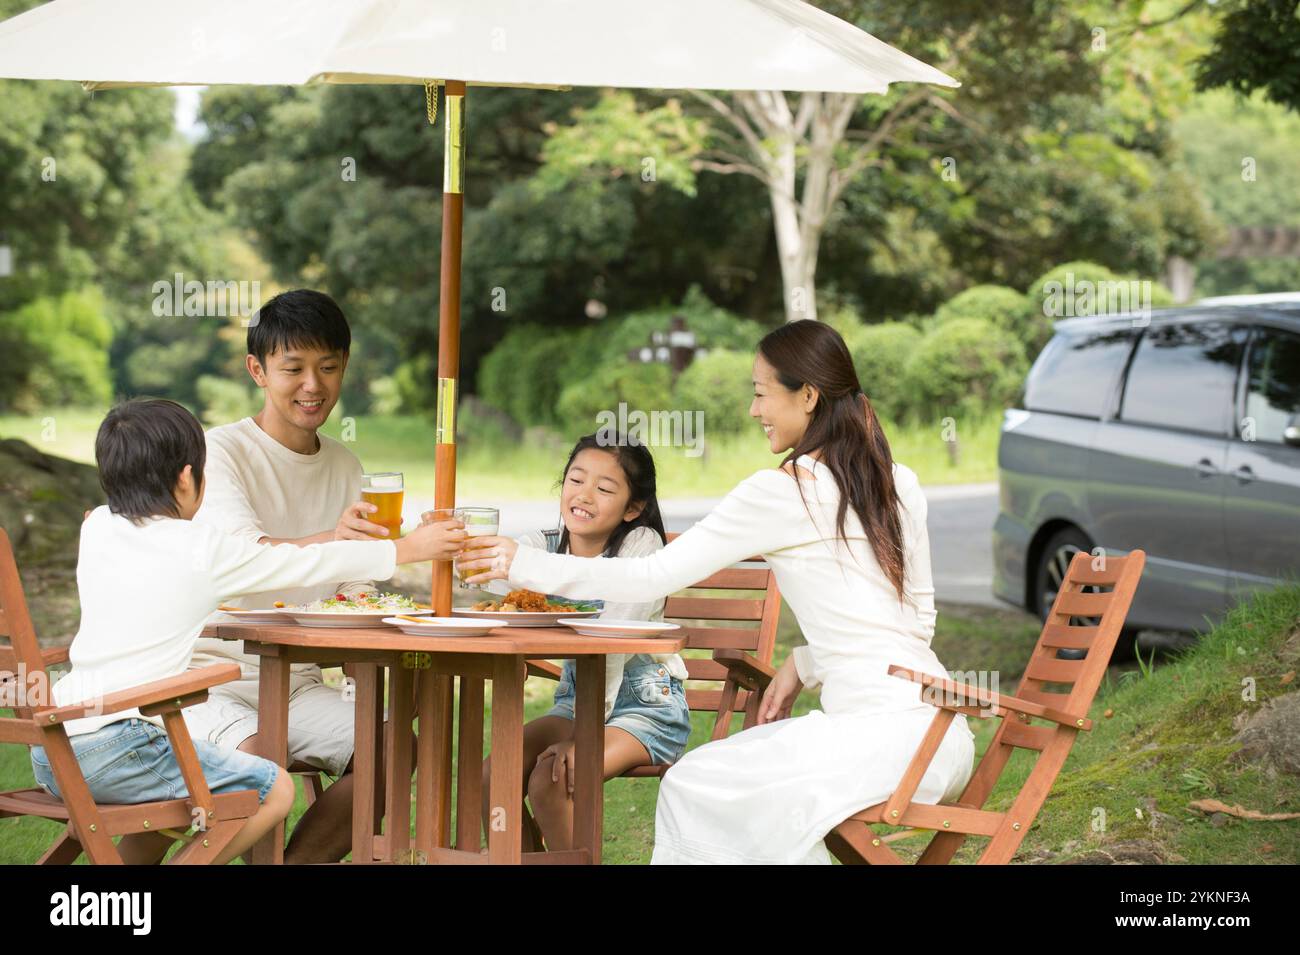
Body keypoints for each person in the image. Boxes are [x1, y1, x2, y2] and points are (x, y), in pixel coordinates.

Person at [459, 319, 976, 864]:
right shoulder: (900, 480)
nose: (753, 410)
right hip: (940, 743)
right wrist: (805, 659)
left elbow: (652, 575)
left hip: (879, 746)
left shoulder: (782, 492)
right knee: (714, 780)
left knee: (699, 786)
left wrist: (525, 564)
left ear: (807, 394)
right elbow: (917, 624)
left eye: (760, 393)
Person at [30, 398, 465, 864]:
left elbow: (104, 516)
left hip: (54, 750)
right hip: (122, 748)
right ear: (186, 478)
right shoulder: (200, 549)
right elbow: (299, 563)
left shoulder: (98, 526)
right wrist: (406, 549)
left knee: (177, 804)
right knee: (273, 788)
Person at [183, 289, 420, 863]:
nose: (313, 385)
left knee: (395, 744)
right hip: (211, 681)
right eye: (293, 368)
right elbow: (248, 557)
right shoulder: (221, 452)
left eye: (329, 367)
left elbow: (354, 590)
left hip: (299, 683)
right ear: (257, 370)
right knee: (260, 761)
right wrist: (343, 543)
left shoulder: (345, 465)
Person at [477, 433, 690, 852]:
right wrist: (467, 549)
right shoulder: (545, 545)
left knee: (553, 777)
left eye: (605, 488)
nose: (585, 495)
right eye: (576, 480)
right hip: (576, 703)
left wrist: (587, 736)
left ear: (633, 507)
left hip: (644, 708)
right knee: (494, 774)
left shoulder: (641, 549)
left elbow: (612, 642)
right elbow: (494, 576)